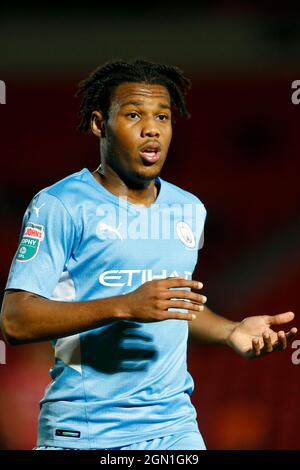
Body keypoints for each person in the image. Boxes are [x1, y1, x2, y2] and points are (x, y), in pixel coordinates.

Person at [0, 58, 297, 451]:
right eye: (134, 114)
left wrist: (229, 331)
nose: (152, 128)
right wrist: (125, 305)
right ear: (97, 123)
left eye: (163, 116)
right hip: (86, 432)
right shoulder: (60, 205)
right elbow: (15, 321)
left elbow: (174, 306)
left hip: (174, 429)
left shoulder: (188, 209)